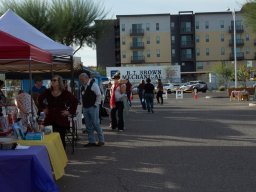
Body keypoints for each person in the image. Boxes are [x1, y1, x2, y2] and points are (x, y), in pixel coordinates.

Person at [38, 75, 78, 149]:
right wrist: (43, 108)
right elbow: (39, 99)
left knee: (60, 139)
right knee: (49, 138)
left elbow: (75, 101)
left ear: (59, 82)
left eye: (54, 80)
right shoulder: (48, 91)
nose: (52, 82)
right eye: (52, 80)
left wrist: (69, 112)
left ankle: (61, 157)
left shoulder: (65, 92)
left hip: (61, 119)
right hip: (50, 119)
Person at [79, 72, 105, 147]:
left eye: (82, 79)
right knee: (88, 125)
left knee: (96, 123)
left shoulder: (94, 85)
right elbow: (81, 97)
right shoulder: (82, 87)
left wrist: (96, 105)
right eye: (80, 80)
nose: (81, 81)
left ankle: (101, 140)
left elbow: (99, 95)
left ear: (87, 78)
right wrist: (82, 106)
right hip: (86, 108)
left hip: (93, 107)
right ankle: (91, 141)